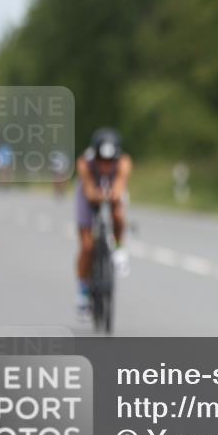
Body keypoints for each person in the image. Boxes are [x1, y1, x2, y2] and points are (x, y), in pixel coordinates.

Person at [75, 128, 132, 316]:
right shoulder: (85, 163)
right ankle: (83, 292)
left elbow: (119, 187)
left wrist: (112, 195)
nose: (106, 166)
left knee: (118, 215)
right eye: (102, 161)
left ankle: (119, 248)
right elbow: (90, 190)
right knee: (87, 247)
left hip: (111, 193)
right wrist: (98, 195)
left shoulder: (124, 162)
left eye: (110, 162)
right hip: (88, 199)